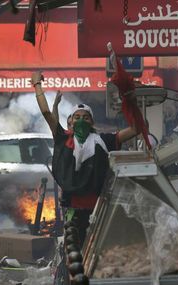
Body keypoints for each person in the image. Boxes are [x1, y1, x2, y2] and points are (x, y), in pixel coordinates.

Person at [32, 71, 138, 246]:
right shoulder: (64, 138)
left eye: (85, 117)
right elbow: (45, 112)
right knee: (75, 249)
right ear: (71, 122)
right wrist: (37, 85)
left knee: (98, 246)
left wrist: (130, 99)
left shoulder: (103, 141)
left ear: (92, 122)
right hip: (72, 207)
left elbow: (135, 129)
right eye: (77, 117)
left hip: (99, 207)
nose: (81, 120)